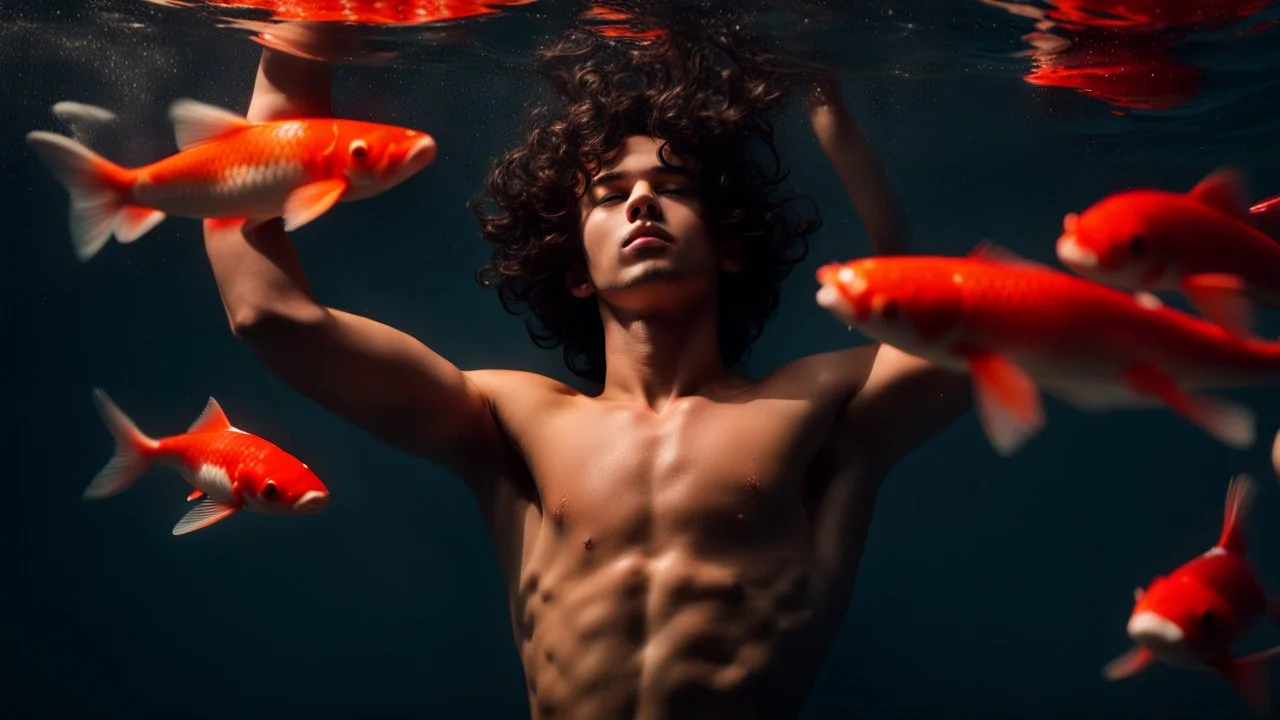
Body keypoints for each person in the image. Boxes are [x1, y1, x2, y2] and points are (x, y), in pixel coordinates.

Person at [202, 21, 972, 720]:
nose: (641, 202)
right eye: (610, 194)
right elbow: (268, 313)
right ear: (575, 268)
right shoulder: (511, 421)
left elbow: (948, 335)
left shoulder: (816, 411)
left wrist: (836, 127)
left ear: (730, 244)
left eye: (672, 189)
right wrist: (294, 45)